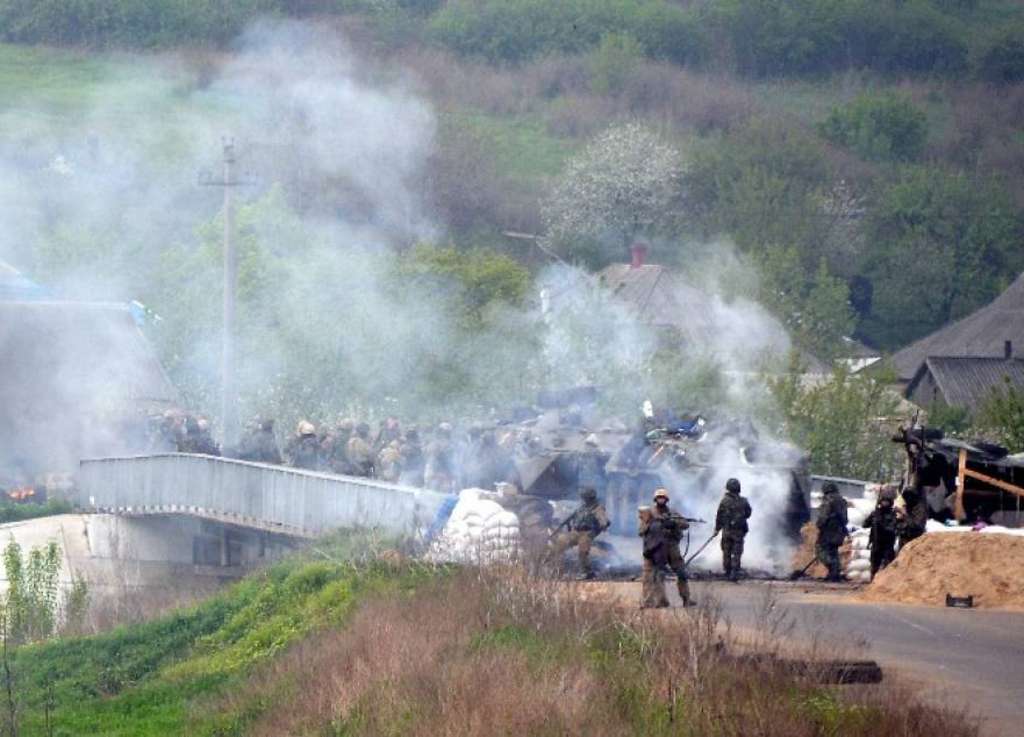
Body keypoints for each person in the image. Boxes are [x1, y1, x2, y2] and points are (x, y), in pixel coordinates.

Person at [639, 488, 694, 607]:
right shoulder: (649, 513)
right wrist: (656, 525)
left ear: (666, 499)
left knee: (681, 572)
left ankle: (686, 599)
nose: (661, 499)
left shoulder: (672, 513)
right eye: (659, 497)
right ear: (655, 499)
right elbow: (641, 531)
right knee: (650, 575)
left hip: (671, 547)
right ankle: (651, 602)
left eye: (663, 497)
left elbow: (685, 524)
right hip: (654, 548)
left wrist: (674, 524)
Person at [548, 487, 610, 580]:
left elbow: (603, 519)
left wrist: (603, 524)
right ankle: (556, 569)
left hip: (587, 532)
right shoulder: (582, 507)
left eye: (585, 497)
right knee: (560, 542)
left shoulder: (597, 508)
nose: (584, 499)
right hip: (576, 531)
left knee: (583, 551)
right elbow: (572, 517)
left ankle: (586, 572)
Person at [715, 477, 752, 582]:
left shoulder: (724, 501)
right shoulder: (744, 501)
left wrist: (717, 529)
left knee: (726, 551)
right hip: (739, 532)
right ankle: (734, 573)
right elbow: (748, 514)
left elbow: (719, 516)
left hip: (727, 531)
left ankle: (727, 571)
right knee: (737, 552)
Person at [815, 481, 848, 582]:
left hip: (828, 531)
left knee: (820, 550)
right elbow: (845, 519)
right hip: (840, 531)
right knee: (833, 551)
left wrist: (819, 525)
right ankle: (835, 573)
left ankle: (833, 569)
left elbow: (823, 517)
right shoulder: (842, 501)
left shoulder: (828, 500)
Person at [864, 493, 898, 578]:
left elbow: (892, 529)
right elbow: (865, 525)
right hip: (876, 543)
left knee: (888, 565)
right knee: (874, 565)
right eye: (883, 501)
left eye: (886, 502)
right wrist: (872, 517)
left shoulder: (892, 514)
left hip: (887, 544)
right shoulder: (876, 513)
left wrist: (880, 524)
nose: (884, 503)